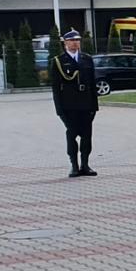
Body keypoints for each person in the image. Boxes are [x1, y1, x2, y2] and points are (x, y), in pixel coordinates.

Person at [51, 29, 100, 178]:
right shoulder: (59, 61)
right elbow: (56, 88)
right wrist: (59, 110)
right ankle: (74, 166)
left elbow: (92, 84)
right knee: (71, 135)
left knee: (87, 136)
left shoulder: (86, 59)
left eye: (77, 40)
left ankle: (85, 165)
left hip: (86, 105)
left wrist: (94, 106)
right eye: (72, 40)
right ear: (65, 43)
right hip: (69, 106)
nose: (75, 43)